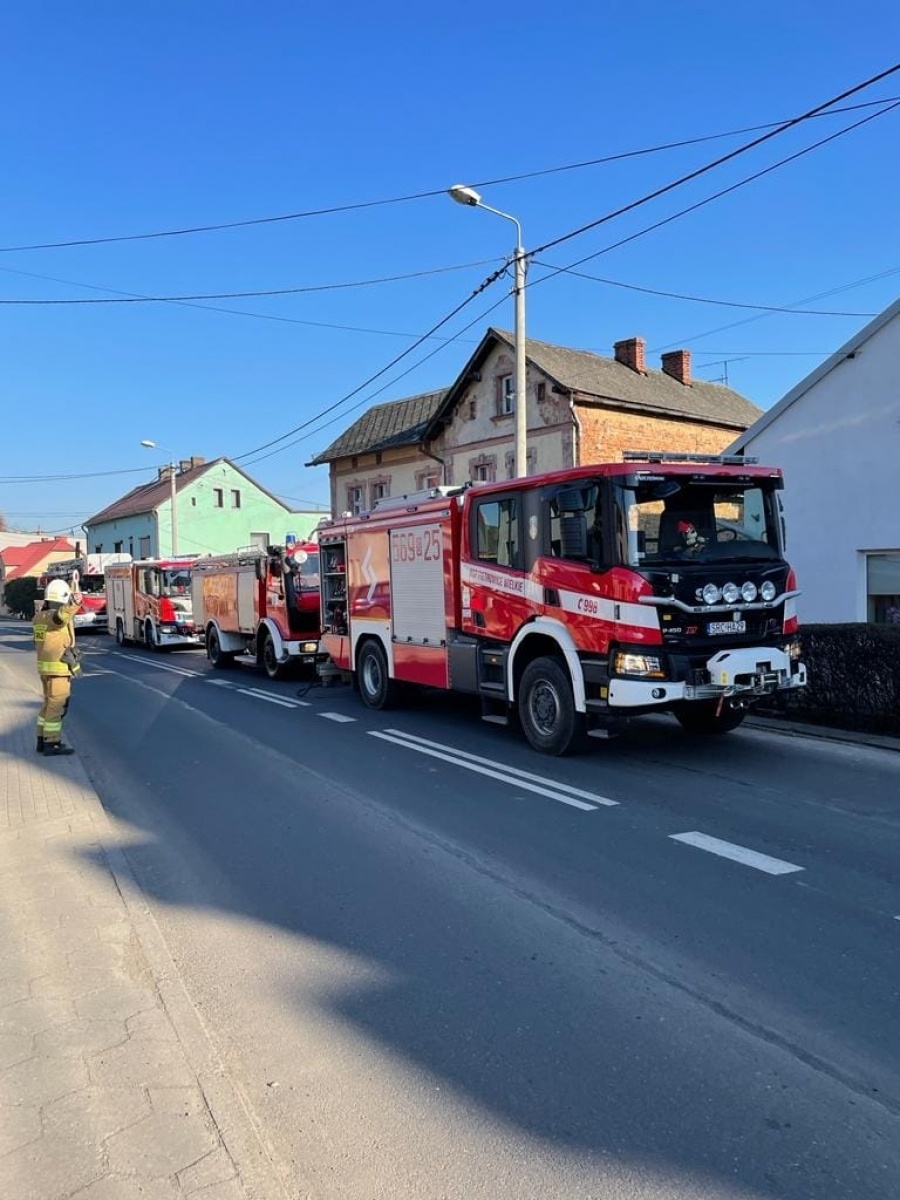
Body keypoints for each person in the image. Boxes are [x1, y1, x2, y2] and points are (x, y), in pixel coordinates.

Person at [32, 577, 83, 756]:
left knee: (48, 705)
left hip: (45, 669)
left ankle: (41, 738)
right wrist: (75, 603)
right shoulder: (53, 618)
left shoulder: (39, 617)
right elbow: (61, 617)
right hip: (57, 669)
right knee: (57, 706)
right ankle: (52, 743)